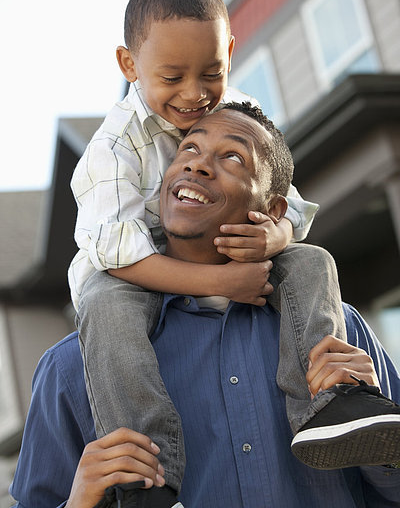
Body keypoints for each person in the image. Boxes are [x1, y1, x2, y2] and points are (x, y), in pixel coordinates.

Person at [66, 0, 398, 507]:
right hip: (126, 277)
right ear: (130, 66)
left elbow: (289, 203)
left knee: (312, 259)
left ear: (229, 54)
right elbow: (118, 252)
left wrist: (275, 235)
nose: (195, 93)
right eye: (172, 76)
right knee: (106, 304)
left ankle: (330, 406)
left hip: (244, 266)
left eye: (211, 72)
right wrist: (219, 280)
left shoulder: (240, 112)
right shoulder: (113, 149)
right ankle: (147, 476)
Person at [10, 104, 400, 508]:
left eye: (233, 156)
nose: (198, 167)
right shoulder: (73, 365)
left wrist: (381, 447)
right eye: (189, 150)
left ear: (274, 211)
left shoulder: (339, 332)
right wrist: (78, 504)